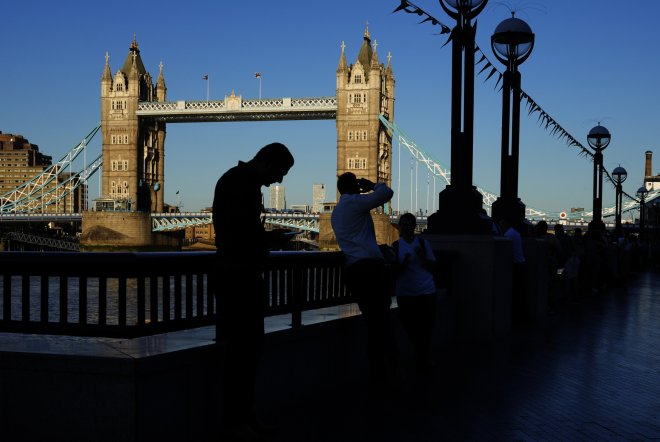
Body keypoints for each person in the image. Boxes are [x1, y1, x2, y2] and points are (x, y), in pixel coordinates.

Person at [212, 142, 294, 442]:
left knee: (250, 352)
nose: (280, 181)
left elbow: (243, 231)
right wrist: (269, 241)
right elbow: (237, 235)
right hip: (237, 278)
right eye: (280, 173)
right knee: (240, 355)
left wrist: (267, 237)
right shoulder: (237, 183)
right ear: (267, 162)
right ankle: (235, 422)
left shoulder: (242, 182)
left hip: (244, 277)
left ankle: (247, 417)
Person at [330, 172, 396, 393]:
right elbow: (387, 193)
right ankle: (382, 372)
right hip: (371, 271)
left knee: (374, 322)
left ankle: (381, 371)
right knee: (380, 322)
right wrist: (372, 185)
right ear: (355, 187)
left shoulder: (338, 211)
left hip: (354, 271)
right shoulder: (356, 203)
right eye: (357, 185)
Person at [392, 213, 437, 375]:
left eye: (408, 224)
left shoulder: (424, 244)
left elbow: (433, 267)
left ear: (413, 226)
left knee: (426, 327)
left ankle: (422, 357)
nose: (405, 227)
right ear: (399, 226)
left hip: (426, 291)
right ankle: (423, 355)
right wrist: (403, 264)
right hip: (406, 293)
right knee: (410, 326)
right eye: (402, 224)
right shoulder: (395, 247)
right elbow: (394, 272)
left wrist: (422, 257)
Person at [499, 217, 526, 326]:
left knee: (515, 294)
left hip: (516, 266)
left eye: (501, 224)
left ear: (505, 223)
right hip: (521, 264)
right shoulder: (515, 233)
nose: (500, 227)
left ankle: (515, 319)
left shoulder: (508, 235)